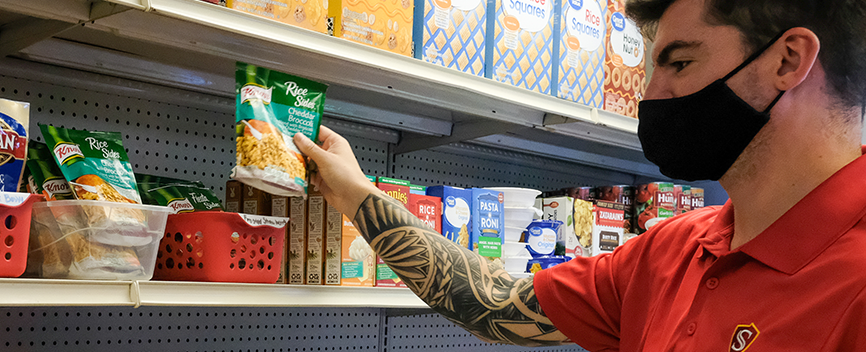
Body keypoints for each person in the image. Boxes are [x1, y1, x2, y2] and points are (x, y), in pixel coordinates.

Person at [293, 0, 866, 350]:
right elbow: (494, 302)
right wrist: (356, 194)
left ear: (788, 60)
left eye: (680, 63)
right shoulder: (672, 252)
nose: (651, 95)